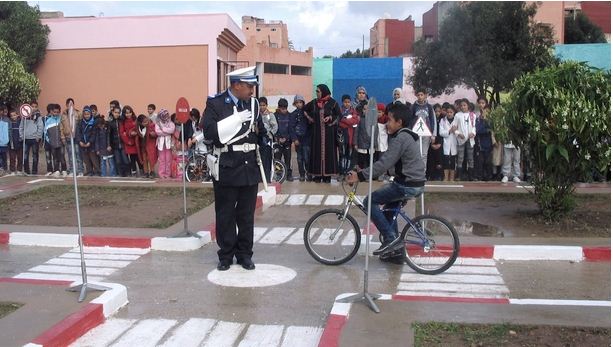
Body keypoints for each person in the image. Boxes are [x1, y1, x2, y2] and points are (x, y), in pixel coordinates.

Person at [202, 66, 268, 271]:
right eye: (249, 86)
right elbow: (210, 132)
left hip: (249, 167)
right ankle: (226, 255)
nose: (252, 91)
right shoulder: (216, 103)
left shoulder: (254, 104)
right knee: (225, 214)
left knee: (246, 215)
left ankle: (244, 254)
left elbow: (261, 135)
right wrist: (235, 120)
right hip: (227, 166)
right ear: (237, 85)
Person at [346, 103, 425, 263]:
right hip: (412, 182)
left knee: (369, 201)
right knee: (389, 211)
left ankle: (391, 239)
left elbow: (384, 163)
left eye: (389, 120)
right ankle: (395, 254)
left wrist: (360, 176)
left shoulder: (401, 137)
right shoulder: (406, 136)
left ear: (400, 122)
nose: (386, 123)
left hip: (407, 185)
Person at [304, 84, 341, 183]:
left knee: (329, 154)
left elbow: (339, 115)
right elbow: (305, 110)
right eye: (316, 91)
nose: (316, 93)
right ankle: (317, 175)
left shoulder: (333, 103)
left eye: (318, 91)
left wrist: (330, 118)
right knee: (317, 153)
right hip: (317, 134)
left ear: (323, 92)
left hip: (329, 135)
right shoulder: (314, 103)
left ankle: (327, 176)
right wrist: (311, 119)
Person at [410, 88, 436, 169]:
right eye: (418, 95)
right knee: (417, 153)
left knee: (424, 154)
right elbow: (410, 120)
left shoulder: (429, 107)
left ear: (425, 95)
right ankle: (416, 171)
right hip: (416, 133)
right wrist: (410, 133)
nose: (420, 97)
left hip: (426, 133)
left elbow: (433, 120)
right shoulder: (413, 106)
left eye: (422, 95)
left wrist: (433, 135)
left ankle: (423, 172)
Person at [454, 98, 476, 181]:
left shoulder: (472, 115)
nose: (463, 107)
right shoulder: (457, 115)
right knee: (460, 158)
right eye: (461, 105)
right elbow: (454, 128)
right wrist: (459, 133)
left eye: (464, 105)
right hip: (461, 139)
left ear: (468, 105)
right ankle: (459, 176)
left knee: (470, 158)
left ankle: (471, 176)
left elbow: (474, 127)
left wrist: (473, 133)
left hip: (470, 139)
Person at [61, 98, 84, 177]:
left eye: (71, 104)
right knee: (70, 155)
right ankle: (72, 171)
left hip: (76, 138)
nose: (70, 106)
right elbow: (61, 127)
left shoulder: (78, 114)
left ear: (73, 105)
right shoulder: (63, 115)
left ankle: (80, 170)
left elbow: (81, 126)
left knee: (78, 154)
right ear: (66, 105)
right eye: (68, 105)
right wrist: (63, 137)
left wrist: (80, 137)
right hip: (68, 138)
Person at [274, 98, 295, 181]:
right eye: (282, 109)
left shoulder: (290, 116)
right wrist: (278, 138)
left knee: (288, 159)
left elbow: (291, 129)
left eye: (285, 108)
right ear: (279, 107)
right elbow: (274, 128)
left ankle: (289, 175)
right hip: (278, 142)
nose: (284, 110)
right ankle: (279, 175)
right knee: (277, 159)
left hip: (287, 142)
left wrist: (287, 138)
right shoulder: (275, 115)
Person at [338, 94, 359, 176]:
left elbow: (355, 121)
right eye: (345, 102)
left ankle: (348, 172)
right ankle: (342, 172)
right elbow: (339, 123)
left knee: (349, 155)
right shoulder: (339, 111)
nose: (347, 104)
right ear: (342, 102)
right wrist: (347, 121)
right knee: (342, 154)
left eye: (348, 102)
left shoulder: (353, 111)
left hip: (350, 136)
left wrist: (344, 120)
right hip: (342, 137)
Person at [258, 97, 277, 183]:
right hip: (258, 140)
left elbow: (275, 127)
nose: (262, 107)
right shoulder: (256, 115)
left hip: (267, 140)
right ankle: (259, 179)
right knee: (259, 159)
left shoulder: (270, 115)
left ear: (266, 105)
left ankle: (267, 178)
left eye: (263, 105)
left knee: (267, 160)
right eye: (260, 105)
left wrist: (270, 135)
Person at [44, 103, 67, 177]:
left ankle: (64, 170)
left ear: (59, 112)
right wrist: (49, 141)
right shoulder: (48, 121)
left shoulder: (61, 119)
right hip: (52, 143)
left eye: (57, 112)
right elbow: (46, 133)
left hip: (61, 143)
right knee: (55, 158)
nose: (56, 113)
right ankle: (56, 170)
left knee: (62, 157)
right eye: (54, 112)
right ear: (52, 112)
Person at [291, 94, 310, 181]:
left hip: (306, 139)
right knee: (299, 158)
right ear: (294, 104)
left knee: (307, 158)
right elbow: (291, 128)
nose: (299, 104)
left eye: (300, 102)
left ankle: (309, 174)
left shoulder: (306, 113)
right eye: (297, 103)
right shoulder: (293, 114)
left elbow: (310, 125)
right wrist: (295, 139)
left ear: (303, 103)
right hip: (298, 140)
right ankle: (302, 174)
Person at [76, 106, 99, 176]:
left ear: (91, 114)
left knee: (93, 158)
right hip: (82, 144)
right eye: (85, 114)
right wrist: (80, 141)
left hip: (91, 144)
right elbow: (78, 133)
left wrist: (90, 142)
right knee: (86, 159)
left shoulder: (93, 123)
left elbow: (94, 134)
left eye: (88, 114)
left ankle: (97, 171)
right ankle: (89, 171)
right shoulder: (80, 123)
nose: (86, 116)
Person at [353, 86, 372, 169]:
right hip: (353, 131)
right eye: (359, 93)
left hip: (365, 132)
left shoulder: (369, 104)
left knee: (365, 155)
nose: (361, 95)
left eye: (363, 93)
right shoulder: (353, 105)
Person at [20, 108, 43, 175]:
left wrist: (38, 136)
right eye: (32, 106)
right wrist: (22, 136)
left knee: (35, 155)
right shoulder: (25, 116)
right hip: (26, 139)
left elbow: (40, 126)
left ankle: (34, 171)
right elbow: (21, 127)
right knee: (25, 155)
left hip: (34, 139)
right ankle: (26, 170)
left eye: (35, 106)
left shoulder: (38, 117)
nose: (34, 108)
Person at [474, 98, 493, 181]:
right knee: (480, 161)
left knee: (488, 162)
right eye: (480, 103)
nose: (481, 104)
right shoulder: (477, 117)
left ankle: (489, 176)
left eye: (483, 103)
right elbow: (478, 130)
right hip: (480, 144)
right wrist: (485, 128)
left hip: (489, 143)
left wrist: (486, 129)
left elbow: (490, 129)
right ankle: (480, 176)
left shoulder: (491, 118)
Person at [108, 106, 130, 177]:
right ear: (112, 112)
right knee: (118, 161)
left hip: (123, 144)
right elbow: (108, 135)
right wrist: (108, 145)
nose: (117, 114)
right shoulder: (110, 123)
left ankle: (128, 173)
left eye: (118, 113)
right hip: (115, 145)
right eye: (115, 112)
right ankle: (121, 174)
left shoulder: (122, 121)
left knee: (125, 160)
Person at [439, 103, 458, 181]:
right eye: (448, 112)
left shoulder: (457, 120)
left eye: (451, 112)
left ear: (454, 112)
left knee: (453, 160)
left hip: (454, 142)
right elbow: (441, 132)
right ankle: (446, 177)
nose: (449, 114)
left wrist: (455, 131)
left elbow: (460, 131)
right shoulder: (442, 120)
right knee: (446, 160)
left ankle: (452, 178)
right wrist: (449, 131)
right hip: (446, 143)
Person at [120, 105, 140, 176]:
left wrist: (133, 133)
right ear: (124, 114)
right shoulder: (123, 122)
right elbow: (122, 133)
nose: (128, 114)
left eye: (129, 112)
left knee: (138, 157)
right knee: (132, 158)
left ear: (132, 112)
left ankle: (142, 170)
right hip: (129, 143)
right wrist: (128, 141)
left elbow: (138, 129)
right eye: (126, 113)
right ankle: (134, 171)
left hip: (137, 142)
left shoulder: (135, 119)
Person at [155, 109, 175, 179]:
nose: (165, 117)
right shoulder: (158, 123)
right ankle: (161, 174)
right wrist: (166, 131)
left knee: (168, 159)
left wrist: (163, 129)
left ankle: (168, 174)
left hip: (168, 143)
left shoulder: (171, 123)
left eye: (166, 115)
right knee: (162, 160)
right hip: (161, 144)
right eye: (164, 115)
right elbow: (157, 132)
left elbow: (172, 130)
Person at [426, 103, 444, 181]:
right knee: (431, 160)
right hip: (431, 142)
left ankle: (438, 175)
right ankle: (430, 175)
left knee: (439, 160)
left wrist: (440, 143)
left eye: (439, 111)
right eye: (435, 111)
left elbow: (443, 132)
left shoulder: (443, 120)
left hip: (440, 143)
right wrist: (431, 143)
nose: (437, 113)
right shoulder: (430, 120)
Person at [136, 114, 157, 178]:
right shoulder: (138, 128)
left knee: (150, 159)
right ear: (140, 123)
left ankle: (152, 172)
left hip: (150, 146)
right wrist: (131, 133)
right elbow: (133, 131)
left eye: (147, 121)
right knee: (144, 160)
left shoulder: (151, 125)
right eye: (144, 122)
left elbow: (155, 132)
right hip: (143, 146)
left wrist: (153, 134)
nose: (146, 123)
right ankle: (146, 172)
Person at [8, 109, 24, 176]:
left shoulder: (21, 122)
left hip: (20, 143)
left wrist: (22, 139)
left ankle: (19, 170)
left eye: (14, 115)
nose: (13, 117)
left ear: (17, 115)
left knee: (20, 157)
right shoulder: (9, 123)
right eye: (11, 116)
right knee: (12, 158)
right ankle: (12, 170)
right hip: (12, 143)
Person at [0, 105, 9, 175]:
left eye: (1, 110)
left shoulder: (7, 120)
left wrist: (8, 140)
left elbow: (9, 130)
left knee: (4, 157)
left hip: (4, 143)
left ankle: (5, 169)